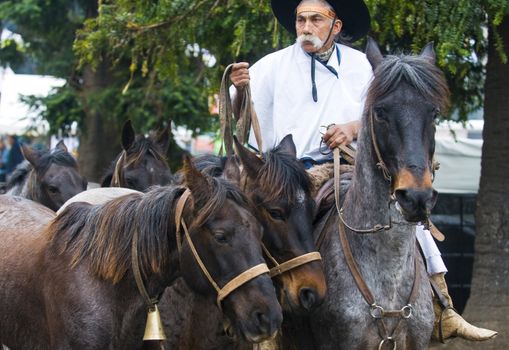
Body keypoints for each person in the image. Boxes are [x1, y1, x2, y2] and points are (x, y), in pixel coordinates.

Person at [229, 0, 497, 342]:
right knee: (273, 225)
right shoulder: (271, 66)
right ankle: (267, 325)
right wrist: (240, 91)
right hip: (293, 171)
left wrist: (351, 128)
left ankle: (443, 305)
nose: (305, 27)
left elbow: (385, 114)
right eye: (300, 20)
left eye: (315, 19)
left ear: (336, 26)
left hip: (353, 164)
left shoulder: (363, 66)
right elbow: (245, 124)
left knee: (411, 218)